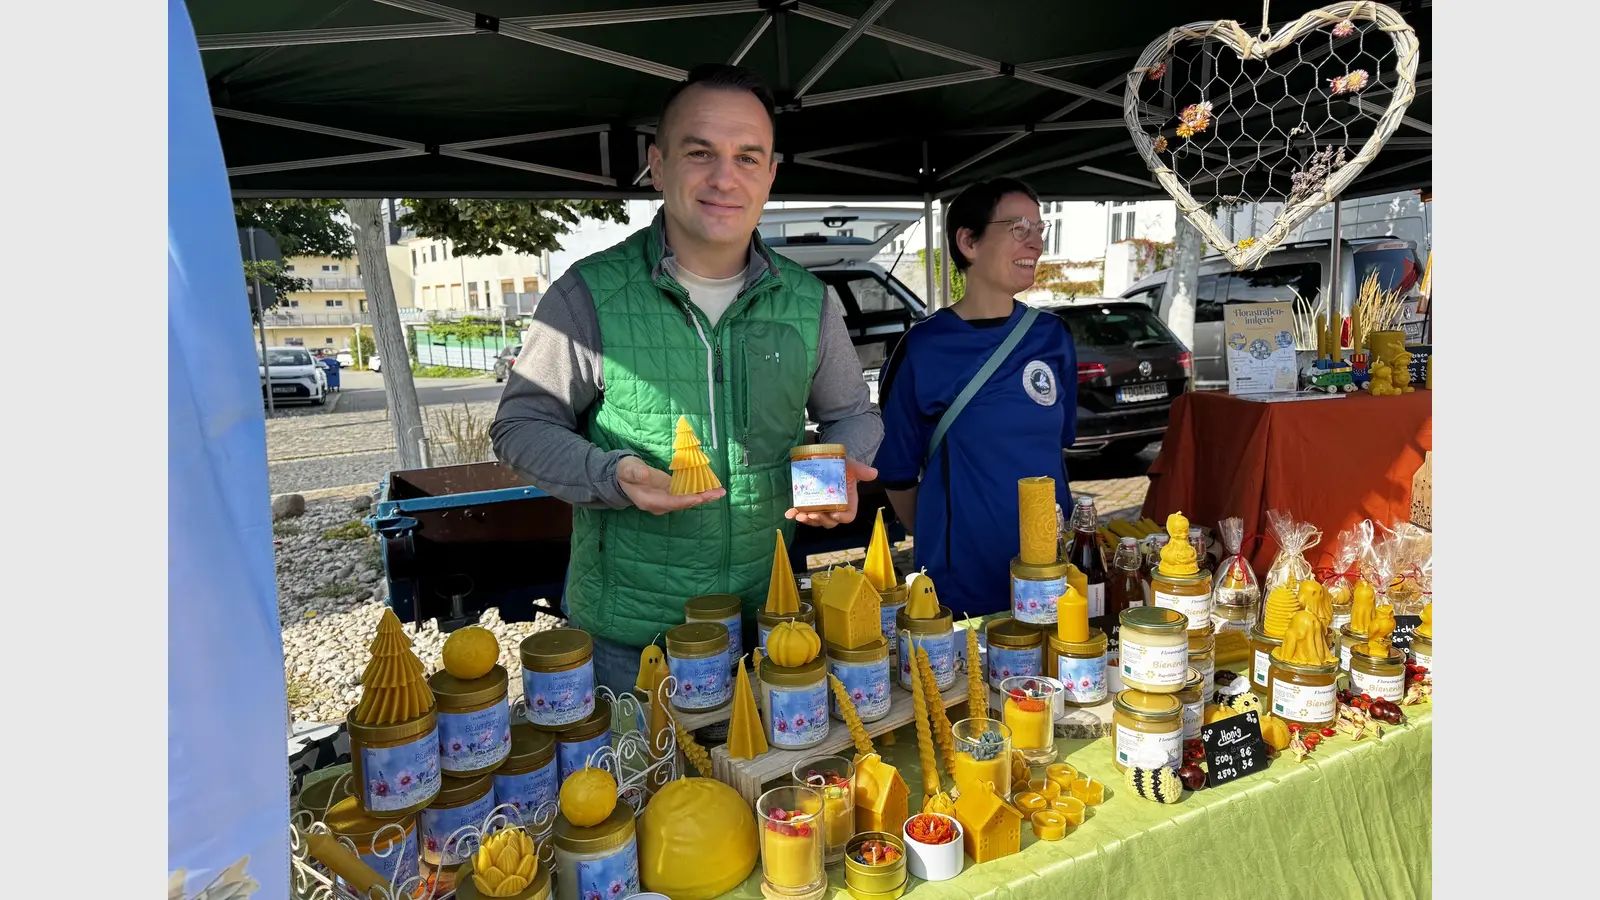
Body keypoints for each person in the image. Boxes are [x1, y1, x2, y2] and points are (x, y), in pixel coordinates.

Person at [492, 63, 882, 693]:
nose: (725, 178)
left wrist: (841, 467)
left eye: (747, 157)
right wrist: (611, 474)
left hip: (770, 620)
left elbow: (852, 413)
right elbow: (520, 425)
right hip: (631, 640)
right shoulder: (588, 293)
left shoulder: (808, 300)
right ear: (658, 165)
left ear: (770, 174)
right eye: (700, 153)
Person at [874, 178, 1077, 617]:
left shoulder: (1053, 337)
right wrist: (943, 535)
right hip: (963, 588)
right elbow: (897, 474)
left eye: (1039, 228)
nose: (1036, 243)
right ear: (968, 241)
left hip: (1052, 577)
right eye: (1019, 228)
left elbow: (1055, 450)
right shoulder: (922, 348)